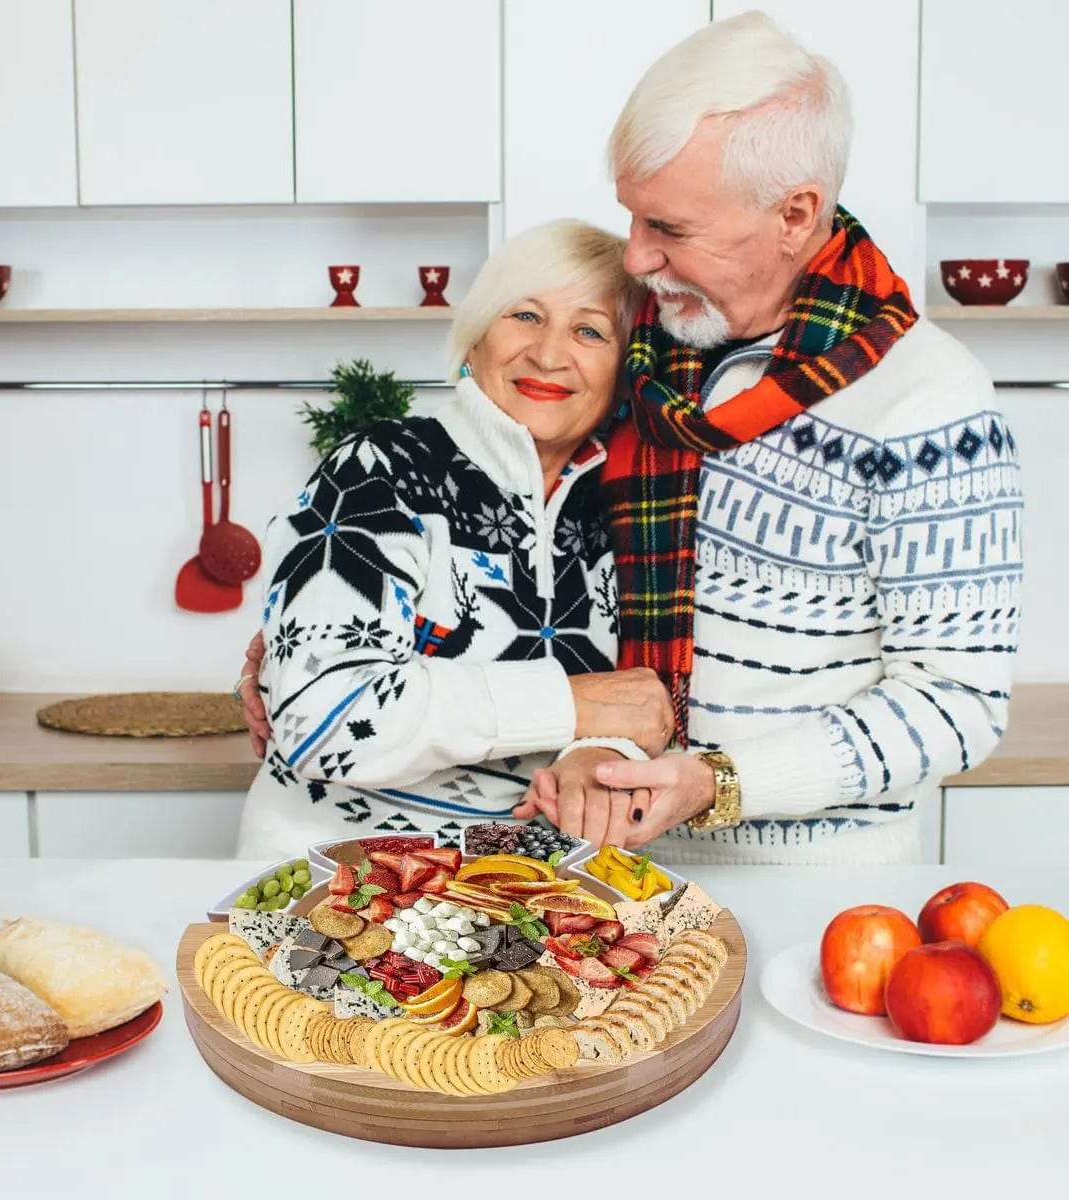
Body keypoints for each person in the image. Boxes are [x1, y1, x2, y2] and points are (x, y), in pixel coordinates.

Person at [514, 12, 1023, 865]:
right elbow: (494, 518)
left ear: (794, 215)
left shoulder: (929, 400)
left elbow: (958, 703)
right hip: (603, 867)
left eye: (669, 229)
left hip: (815, 889)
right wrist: (313, 629)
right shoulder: (630, 344)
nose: (633, 258)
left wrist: (719, 780)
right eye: (632, 218)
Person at [234, 220, 660, 858]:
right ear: (476, 335)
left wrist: (603, 745)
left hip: (524, 889)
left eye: (590, 330)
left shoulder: (638, 508)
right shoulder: (379, 468)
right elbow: (322, 715)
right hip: (333, 870)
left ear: (624, 370)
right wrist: (570, 705)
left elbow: (650, 702)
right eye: (524, 315)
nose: (548, 354)